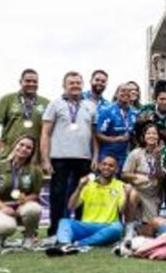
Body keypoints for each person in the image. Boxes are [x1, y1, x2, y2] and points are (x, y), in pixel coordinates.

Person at [40, 71, 99, 239]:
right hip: (60, 157)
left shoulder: (90, 105)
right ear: (64, 85)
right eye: (71, 83)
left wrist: (95, 156)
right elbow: (45, 133)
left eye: (78, 83)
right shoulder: (55, 104)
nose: (75, 86)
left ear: (83, 85)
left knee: (84, 194)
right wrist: (45, 159)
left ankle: (80, 230)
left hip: (84, 158)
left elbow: (94, 135)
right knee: (58, 195)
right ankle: (55, 232)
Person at [45, 155, 128, 255]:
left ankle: (78, 244)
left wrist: (126, 194)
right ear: (99, 166)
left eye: (111, 166)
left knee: (117, 228)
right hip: (86, 226)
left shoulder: (120, 185)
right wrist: (79, 187)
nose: (107, 167)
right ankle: (64, 244)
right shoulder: (88, 184)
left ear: (116, 169)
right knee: (64, 222)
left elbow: (122, 210)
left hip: (107, 226)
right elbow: (71, 206)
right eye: (104, 164)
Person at [0, 136, 44, 250]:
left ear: (32, 152)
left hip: (22, 207)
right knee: (6, 227)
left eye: (28, 147)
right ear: (15, 146)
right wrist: (3, 207)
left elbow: (36, 193)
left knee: (34, 209)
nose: (24, 149)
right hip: (0, 207)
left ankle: (29, 237)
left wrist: (25, 199)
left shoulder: (35, 170)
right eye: (21, 145)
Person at [0, 69, 49, 162]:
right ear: (20, 82)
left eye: (35, 81)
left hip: (34, 156)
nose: (31, 84)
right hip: (10, 153)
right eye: (28, 81)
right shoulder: (7, 99)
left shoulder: (46, 103)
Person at [121, 123, 164, 238]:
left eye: (154, 133)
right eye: (148, 133)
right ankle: (129, 229)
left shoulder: (163, 153)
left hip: (152, 195)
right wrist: (136, 177)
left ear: (158, 136)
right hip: (138, 190)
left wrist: (158, 160)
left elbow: (161, 178)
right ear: (143, 136)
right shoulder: (136, 153)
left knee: (150, 232)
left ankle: (138, 230)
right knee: (132, 193)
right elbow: (124, 175)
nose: (152, 136)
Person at [96, 84, 138, 170]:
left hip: (124, 155)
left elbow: (134, 134)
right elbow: (98, 134)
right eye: (122, 91)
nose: (126, 93)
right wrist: (115, 139)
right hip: (108, 153)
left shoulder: (135, 113)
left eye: (129, 91)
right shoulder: (107, 111)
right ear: (116, 94)